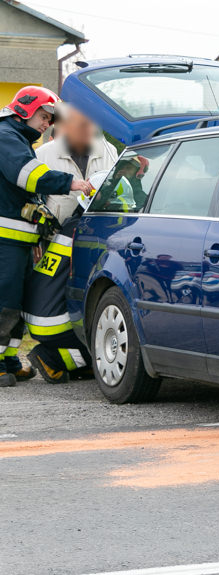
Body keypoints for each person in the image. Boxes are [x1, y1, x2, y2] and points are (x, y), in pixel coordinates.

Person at [0, 86, 91, 388]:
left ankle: (9, 360)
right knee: (3, 301)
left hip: (17, 241)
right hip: (5, 242)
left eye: (50, 119)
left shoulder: (16, 138)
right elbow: (29, 176)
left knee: (14, 302)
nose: (47, 124)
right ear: (25, 110)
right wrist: (72, 183)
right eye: (43, 116)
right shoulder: (5, 136)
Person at [22, 105, 115, 383]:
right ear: (64, 126)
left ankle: (57, 355)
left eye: (91, 126)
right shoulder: (44, 155)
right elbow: (29, 198)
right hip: (55, 245)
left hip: (96, 247)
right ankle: (54, 353)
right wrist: (35, 239)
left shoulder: (107, 150)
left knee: (84, 309)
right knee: (54, 305)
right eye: (81, 126)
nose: (88, 132)